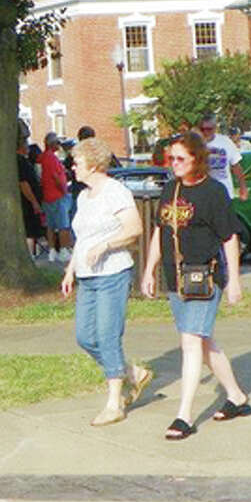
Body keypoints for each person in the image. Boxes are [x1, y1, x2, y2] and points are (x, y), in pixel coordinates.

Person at [142, 130, 251, 441]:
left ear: (197, 159)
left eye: (180, 158)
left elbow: (229, 237)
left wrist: (233, 280)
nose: (174, 163)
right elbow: (160, 231)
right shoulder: (171, 189)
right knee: (203, 343)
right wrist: (149, 270)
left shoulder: (214, 192)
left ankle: (184, 416)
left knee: (190, 341)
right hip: (176, 278)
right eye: (171, 158)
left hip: (205, 277)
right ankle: (236, 397)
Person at [61, 138, 148, 426]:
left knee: (108, 336)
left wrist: (107, 245)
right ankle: (132, 373)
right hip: (87, 277)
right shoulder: (84, 197)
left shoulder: (116, 192)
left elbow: (134, 229)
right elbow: (82, 238)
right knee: (85, 337)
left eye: (77, 162)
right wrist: (70, 270)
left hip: (113, 273)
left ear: (94, 164)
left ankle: (114, 403)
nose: (73, 167)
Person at [199, 114, 248, 201]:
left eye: (209, 129)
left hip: (225, 193)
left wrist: (243, 187)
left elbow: (236, 166)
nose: (206, 132)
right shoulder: (196, 143)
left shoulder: (225, 142)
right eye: (202, 129)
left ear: (215, 128)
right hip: (204, 195)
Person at [40, 132, 72, 262]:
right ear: (52, 144)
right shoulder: (51, 158)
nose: (59, 145)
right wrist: (64, 190)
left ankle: (52, 251)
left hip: (47, 195)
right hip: (57, 195)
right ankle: (64, 250)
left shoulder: (43, 157)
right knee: (63, 225)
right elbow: (56, 177)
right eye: (57, 143)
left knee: (50, 225)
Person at [17, 136, 46, 257]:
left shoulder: (24, 161)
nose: (28, 148)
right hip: (27, 202)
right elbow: (24, 183)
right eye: (26, 145)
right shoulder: (21, 162)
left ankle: (31, 253)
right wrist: (34, 202)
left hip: (31, 200)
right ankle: (29, 254)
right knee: (29, 229)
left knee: (32, 229)